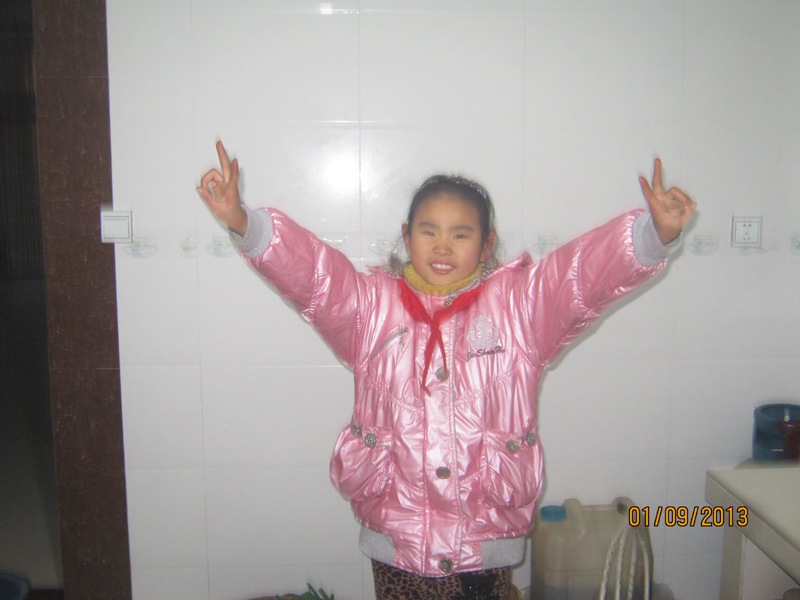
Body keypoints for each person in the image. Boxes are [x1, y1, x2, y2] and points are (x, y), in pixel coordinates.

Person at [196, 141, 695, 600]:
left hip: (484, 546)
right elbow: (314, 278)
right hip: (398, 542)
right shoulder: (371, 309)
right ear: (406, 236)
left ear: (486, 244)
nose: (442, 246)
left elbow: (580, 279)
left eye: (460, 234)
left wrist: (653, 235)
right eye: (428, 231)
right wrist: (243, 222)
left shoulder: (519, 310)